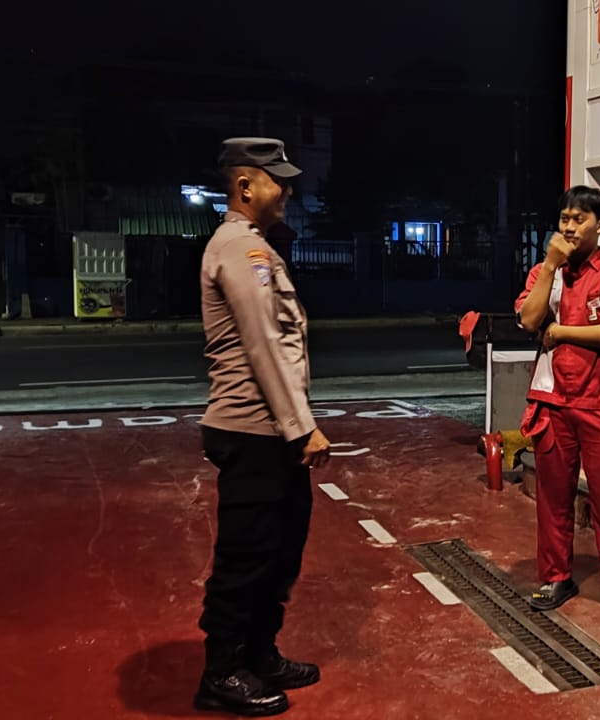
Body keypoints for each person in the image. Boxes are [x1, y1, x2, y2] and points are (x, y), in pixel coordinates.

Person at [195, 137, 332, 717]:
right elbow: (264, 345)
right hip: (252, 429)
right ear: (246, 185)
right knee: (247, 554)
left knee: (281, 550)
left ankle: (259, 653)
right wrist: (302, 429)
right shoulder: (240, 249)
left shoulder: (259, 246)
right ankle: (221, 673)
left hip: (270, 430)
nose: (289, 190)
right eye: (278, 179)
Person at [515, 185, 600, 617]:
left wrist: (560, 332)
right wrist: (550, 267)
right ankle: (556, 576)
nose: (570, 227)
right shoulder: (543, 273)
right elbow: (529, 319)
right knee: (553, 497)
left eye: (579, 219)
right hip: (551, 401)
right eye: (565, 219)